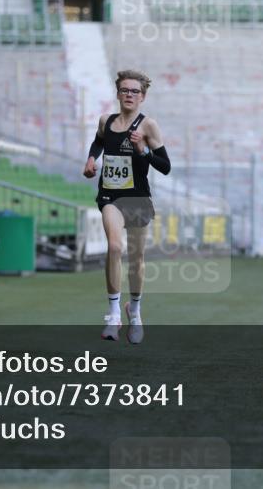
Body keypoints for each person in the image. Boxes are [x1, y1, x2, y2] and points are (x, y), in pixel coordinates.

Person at [84, 70, 170, 344]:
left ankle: (135, 311)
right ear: (118, 93)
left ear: (143, 97)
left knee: (136, 259)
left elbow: (165, 167)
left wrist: (143, 151)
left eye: (135, 91)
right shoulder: (105, 121)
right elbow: (99, 141)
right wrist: (90, 159)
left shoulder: (148, 126)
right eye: (125, 90)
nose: (129, 95)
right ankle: (112, 314)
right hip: (110, 196)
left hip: (138, 198)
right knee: (115, 247)